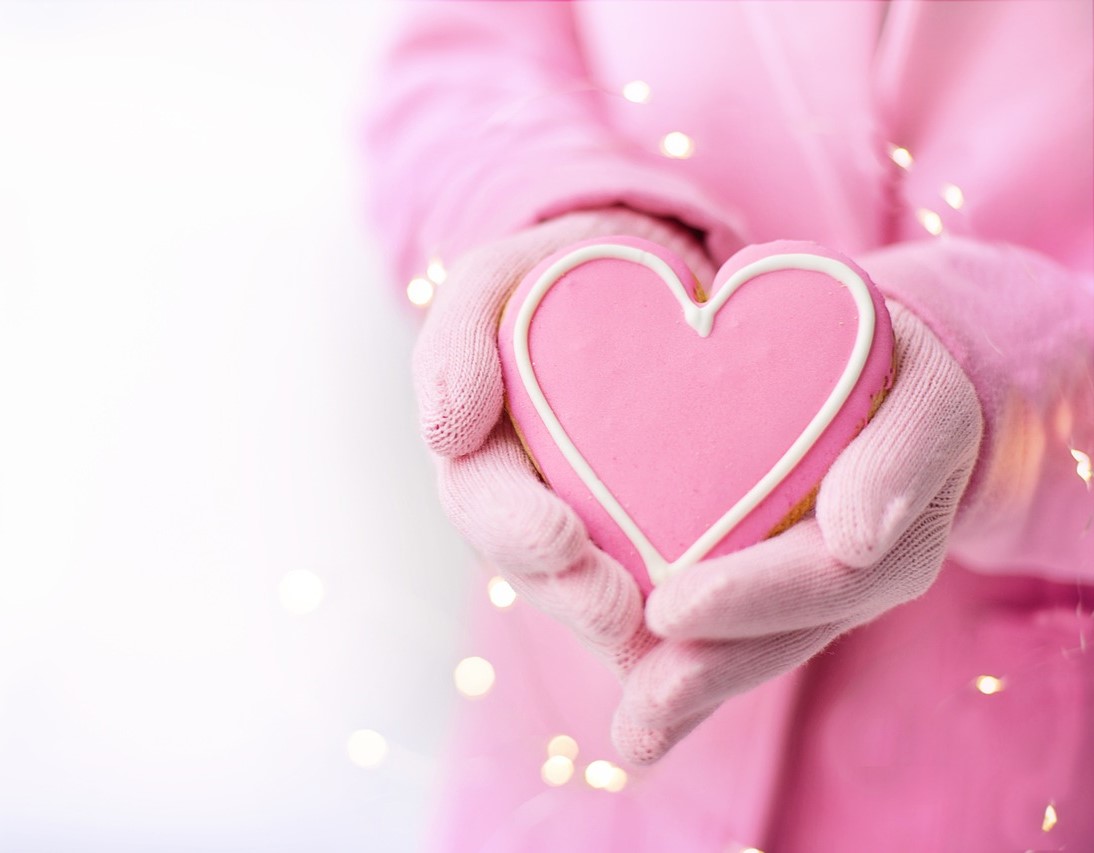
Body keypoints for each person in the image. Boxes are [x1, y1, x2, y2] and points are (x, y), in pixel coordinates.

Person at [366, 2, 1094, 850]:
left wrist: (1032, 402)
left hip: (1002, 784)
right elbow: (462, 50)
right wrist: (543, 219)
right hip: (567, 774)